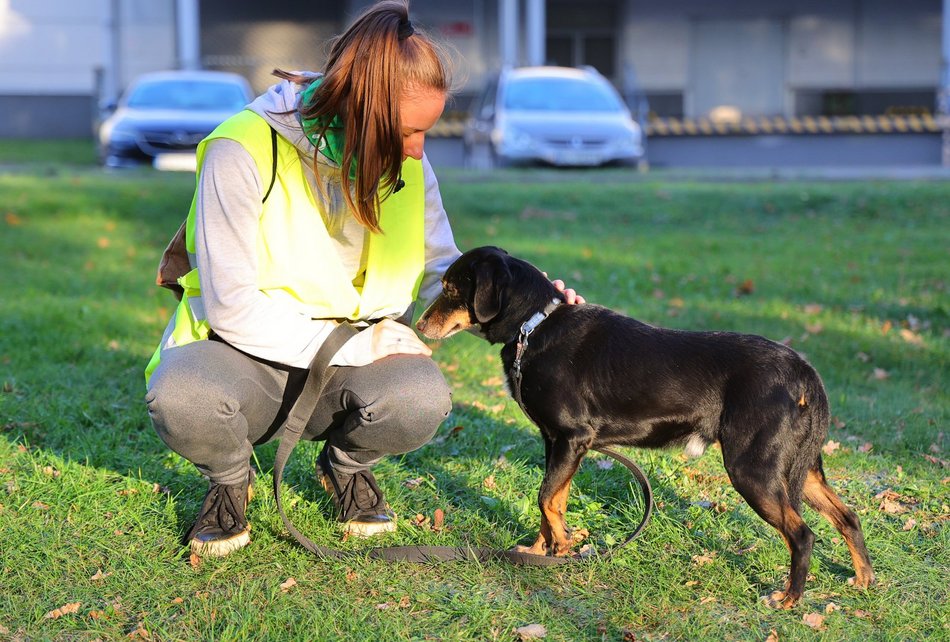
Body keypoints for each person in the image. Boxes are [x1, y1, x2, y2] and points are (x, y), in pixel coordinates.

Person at [145, 0, 582, 559]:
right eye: (408, 130)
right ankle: (230, 483)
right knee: (182, 394)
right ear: (359, 105)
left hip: (346, 371)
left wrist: (533, 312)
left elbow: (441, 273)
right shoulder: (240, 148)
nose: (419, 150)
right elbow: (230, 306)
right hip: (239, 357)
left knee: (419, 397)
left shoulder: (409, 164)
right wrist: (359, 342)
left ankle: (345, 469)